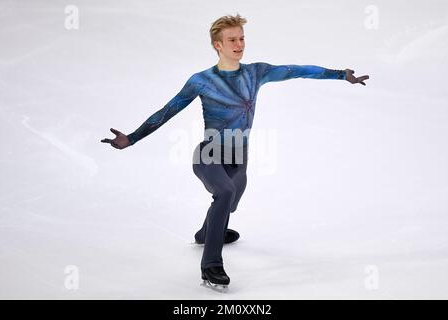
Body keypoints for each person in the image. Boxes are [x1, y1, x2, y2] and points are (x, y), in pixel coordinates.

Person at [101, 14, 369, 291]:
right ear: (217, 45)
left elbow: (296, 69)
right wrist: (132, 138)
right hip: (209, 155)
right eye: (232, 40)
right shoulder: (201, 80)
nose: (239, 44)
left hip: (239, 158)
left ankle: (206, 233)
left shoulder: (256, 72)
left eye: (241, 38)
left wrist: (340, 75)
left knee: (229, 203)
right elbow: (167, 111)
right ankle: (211, 266)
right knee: (225, 193)